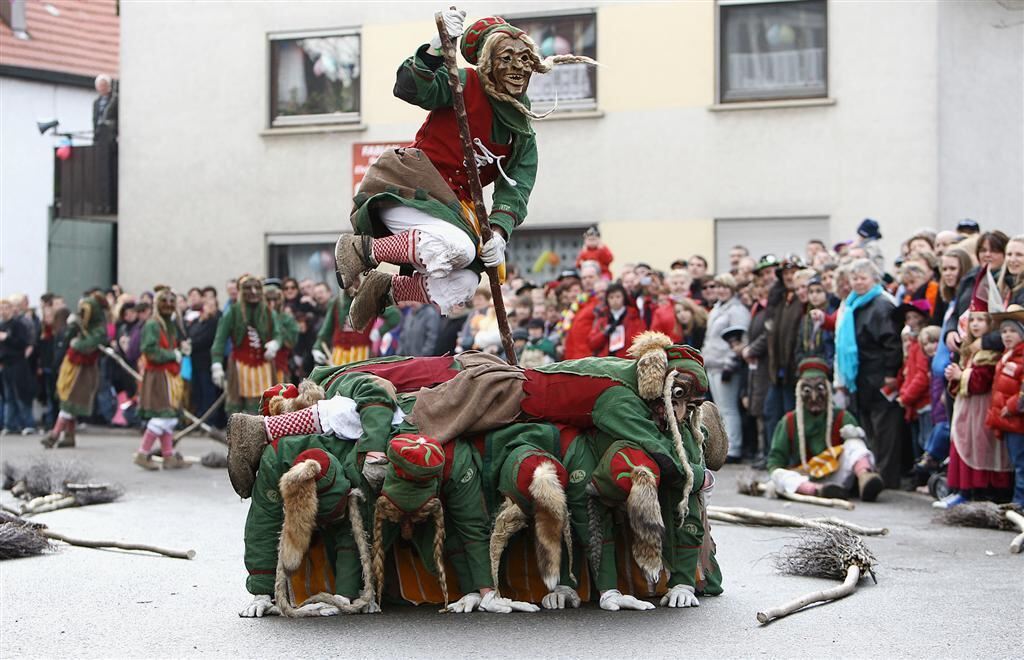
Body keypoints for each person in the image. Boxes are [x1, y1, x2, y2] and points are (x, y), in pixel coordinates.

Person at [338, 11, 595, 330]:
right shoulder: (463, 84)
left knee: (464, 284)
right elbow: (410, 88)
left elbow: (516, 187)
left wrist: (499, 234)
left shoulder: (522, 130)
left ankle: (386, 290)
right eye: (508, 58)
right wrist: (435, 48)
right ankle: (362, 250)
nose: (518, 68)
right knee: (457, 247)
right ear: (488, 63)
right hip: (408, 187)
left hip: (451, 209)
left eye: (525, 59)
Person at [767, 358, 884, 501]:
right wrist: (778, 474)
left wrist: (853, 433)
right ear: (799, 393)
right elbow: (775, 460)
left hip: (838, 476)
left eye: (820, 389)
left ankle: (865, 477)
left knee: (854, 442)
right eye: (807, 391)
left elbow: (857, 448)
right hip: (805, 479)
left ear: (828, 391)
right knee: (778, 474)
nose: (814, 397)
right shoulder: (789, 421)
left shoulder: (842, 416)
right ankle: (818, 491)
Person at [835, 259, 904, 489]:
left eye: (863, 278)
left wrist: (890, 373)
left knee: (885, 429)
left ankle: (887, 476)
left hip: (879, 374)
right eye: (854, 278)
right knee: (869, 427)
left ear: (874, 279)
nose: (858, 282)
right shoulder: (854, 304)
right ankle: (870, 472)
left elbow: (892, 342)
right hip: (861, 376)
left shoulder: (882, 305)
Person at [133, 289, 190, 470]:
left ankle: (168, 456)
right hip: (158, 377)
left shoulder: (170, 325)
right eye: (164, 301)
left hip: (169, 375)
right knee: (162, 415)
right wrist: (172, 354)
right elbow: (150, 351)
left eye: (171, 301)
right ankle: (142, 453)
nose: (168, 304)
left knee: (168, 416)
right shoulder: (152, 325)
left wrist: (181, 350)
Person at [43, 291, 109, 448]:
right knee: (66, 399)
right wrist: (72, 325)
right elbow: (67, 337)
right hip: (71, 366)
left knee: (70, 402)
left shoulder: (99, 329)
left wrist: (77, 343)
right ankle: (69, 436)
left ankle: (54, 434)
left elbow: (88, 345)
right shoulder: (80, 324)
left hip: (84, 371)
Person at [211, 275, 281, 414]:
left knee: (265, 404)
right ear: (241, 291)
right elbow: (220, 339)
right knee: (236, 407)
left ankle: (261, 433)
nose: (254, 292)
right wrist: (217, 364)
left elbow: (278, 334)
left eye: (257, 288)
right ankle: (238, 434)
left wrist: (274, 344)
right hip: (239, 364)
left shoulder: (268, 312)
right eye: (248, 288)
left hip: (264, 364)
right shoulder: (233, 311)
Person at [701, 274, 750, 463]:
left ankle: (734, 447)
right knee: (720, 409)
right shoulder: (716, 308)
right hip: (712, 363)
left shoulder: (737, 310)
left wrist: (730, 364)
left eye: (725, 287)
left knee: (729, 408)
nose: (720, 290)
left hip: (726, 366)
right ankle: (723, 447)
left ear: (732, 289)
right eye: (717, 286)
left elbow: (739, 339)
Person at [985, 306, 1024, 508]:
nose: (1007, 335)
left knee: (1021, 464)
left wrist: (1013, 406)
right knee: (1017, 463)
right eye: (1004, 331)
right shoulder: (1007, 355)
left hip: (1018, 420)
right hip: (1009, 422)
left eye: (1013, 331)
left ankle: (1019, 504)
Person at [894, 299, 933, 461]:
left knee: (926, 441)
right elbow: (907, 372)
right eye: (908, 318)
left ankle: (927, 479)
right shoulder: (912, 344)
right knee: (919, 440)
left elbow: (922, 376)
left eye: (915, 317)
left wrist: (906, 396)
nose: (911, 322)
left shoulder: (923, 344)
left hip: (924, 400)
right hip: (915, 403)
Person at [0, 297, 37, 435]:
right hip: (5, 364)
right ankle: (10, 424)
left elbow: (23, 343)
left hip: (18, 363)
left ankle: (28, 423)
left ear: (11, 309)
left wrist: (7, 338)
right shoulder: (1, 325)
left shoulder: (17, 325)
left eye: (5, 308)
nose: (3, 311)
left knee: (21, 394)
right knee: (8, 396)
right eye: (1, 309)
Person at [588, 283, 645, 358]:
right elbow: (592, 344)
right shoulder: (602, 318)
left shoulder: (634, 316)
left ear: (624, 298)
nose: (615, 300)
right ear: (607, 299)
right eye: (611, 297)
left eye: (618, 297)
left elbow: (639, 340)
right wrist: (604, 333)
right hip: (606, 361)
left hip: (626, 361)